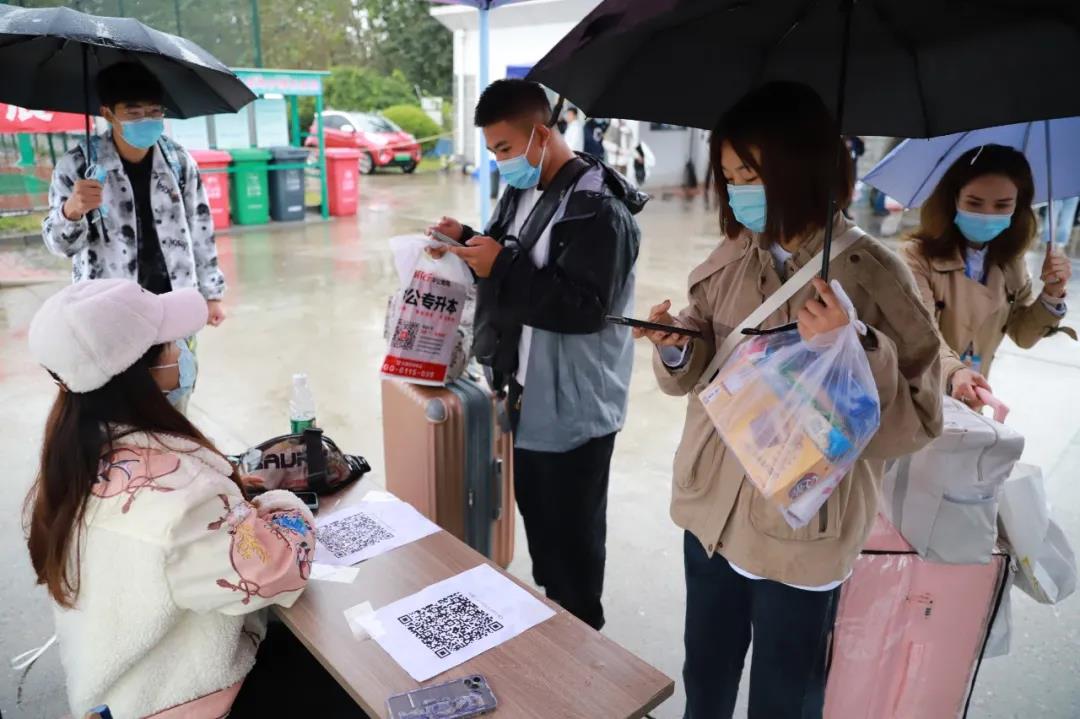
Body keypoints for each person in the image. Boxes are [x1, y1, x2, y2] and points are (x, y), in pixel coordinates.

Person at [636, 82, 942, 718]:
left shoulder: (876, 275)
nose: (739, 189)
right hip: (712, 512)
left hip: (803, 528)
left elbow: (918, 419)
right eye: (730, 175)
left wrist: (857, 344)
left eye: (752, 172)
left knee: (785, 692)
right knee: (708, 672)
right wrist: (675, 345)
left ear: (803, 168)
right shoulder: (733, 257)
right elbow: (701, 365)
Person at [24, 279, 357, 718]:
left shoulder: (73, 462)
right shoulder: (182, 501)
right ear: (138, 374)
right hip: (191, 701)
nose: (183, 351)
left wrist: (232, 499)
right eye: (171, 344)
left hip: (121, 693)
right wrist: (280, 502)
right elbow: (280, 567)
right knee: (355, 682)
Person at [428, 79, 645, 630]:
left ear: (541, 134)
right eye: (493, 151)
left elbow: (583, 309)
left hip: (575, 408)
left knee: (573, 550)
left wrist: (498, 265)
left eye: (504, 148)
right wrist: (467, 239)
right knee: (543, 537)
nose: (500, 162)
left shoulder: (598, 210)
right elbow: (513, 255)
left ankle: (584, 655)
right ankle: (561, 634)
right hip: (527, 398)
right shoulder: (524, 189)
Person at [42, 62, 226, 411]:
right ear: (108, 114)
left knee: (175, 399)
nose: (146, 120)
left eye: (154, 111)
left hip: (172, 304)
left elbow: (201, 229)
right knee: (115, 409)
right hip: (108, 311)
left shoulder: (178, 162)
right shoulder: (77, 166)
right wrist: (73, 210)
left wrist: (211, 294)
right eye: (134, 112)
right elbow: (60, 246)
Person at [902, 144, 1072, 408]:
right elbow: (921, 333)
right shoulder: (917, 257)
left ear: (1018, 207)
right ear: (954, 199)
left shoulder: (1011, 262)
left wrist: (1052, 293)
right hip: (920, 397)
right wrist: (955, 371)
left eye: (1002, 205)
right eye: (974, 203)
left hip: (972, 399)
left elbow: (1023, 335)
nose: (987, 214)